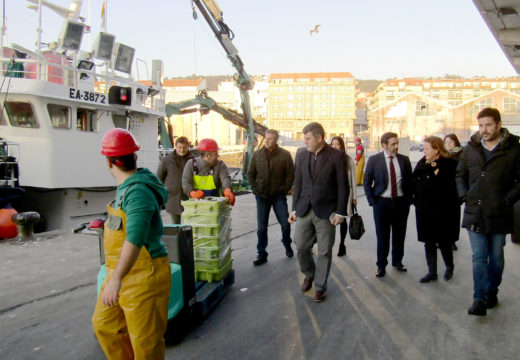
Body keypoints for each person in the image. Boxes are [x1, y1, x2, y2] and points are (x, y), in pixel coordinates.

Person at [92, 128, 170, 359]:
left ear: (108, 162)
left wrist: (116, 279)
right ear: (135, 157)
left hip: (143, 277)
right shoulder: (126, 189)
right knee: (105, 326)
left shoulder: (138, 193)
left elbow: (134, 239)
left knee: (145, 345)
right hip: (120, 272)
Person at [456, 107, 520, 316]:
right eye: (481, 125)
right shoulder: (471, 148)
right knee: (478, 257)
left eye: (489, 125)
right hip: (475, 211)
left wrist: (507, 200)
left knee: (497, 256)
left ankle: (492, 291)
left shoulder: (513, 148)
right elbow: (460, 175)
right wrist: (464, 196)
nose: (484, 130)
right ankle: (479, 299)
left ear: (499, 125)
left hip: (500, 212)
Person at [289, 122, 348, 302]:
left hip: (326, 212)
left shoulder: (336, 156)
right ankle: (309, 274)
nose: (304, 141)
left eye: (307, 138)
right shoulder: (301, 155)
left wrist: (340, 212)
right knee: (300, 246)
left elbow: (342, 186)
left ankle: (320, 286)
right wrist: (294, 209)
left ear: (319, 138)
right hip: (304, 209)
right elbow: (298, 183)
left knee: (324, 251)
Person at [364, 132, 413, 278]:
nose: (396, 146)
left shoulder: (404, 160)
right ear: (384, 145)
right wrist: (372, 201)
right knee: (383, 237)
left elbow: (409, 182)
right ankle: (381, 265)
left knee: (399, 235)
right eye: (393, 144)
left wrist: (408, 201)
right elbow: (367, 183)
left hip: (400, 204)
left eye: (397, 143)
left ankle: (397, 261)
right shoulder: (374, 160)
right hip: (382, 204)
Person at [412, 136, 459, 283]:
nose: (423, 151)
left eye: (426, 149)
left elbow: (452, 189)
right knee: (429, 242)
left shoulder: (449, 164)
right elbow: (415, 182)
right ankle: (432, 272)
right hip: (425, 211)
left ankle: (449, 267)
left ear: (436, 149)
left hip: (443, 211)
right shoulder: (422, 163)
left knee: (444, 241)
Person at [248, 129, 295, 266]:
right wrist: (255, 190)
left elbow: (290, 174)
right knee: (262, 227)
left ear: (276, 140)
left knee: (285, 224)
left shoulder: (285, 155)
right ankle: (262, 253)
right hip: (262, 196)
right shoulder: (257, 155)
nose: (267, 141)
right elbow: (250, 174)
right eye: (266, 138)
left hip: (278, 196)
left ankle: (287, 243)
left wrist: (284, 189)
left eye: (270, 139)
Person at [182, 138, 235, 206]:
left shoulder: (220, 165)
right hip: (196, 207)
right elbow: (185, 182)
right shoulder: (191, 164)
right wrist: (192, 192)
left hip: (216, 207)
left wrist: (227, 190)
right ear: (207, 156)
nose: (218, 156)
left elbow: (225, 178)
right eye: (215, 154)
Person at [330, 136, 357, 257]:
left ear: (341, 146)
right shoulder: (327, 159)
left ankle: (342, 244)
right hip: (331, 194)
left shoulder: (348, 160)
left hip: (345, 194)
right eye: (332, 144)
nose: (334, 146)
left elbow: (353, 179)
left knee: (343, 219)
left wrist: (354, 197)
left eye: (337, 144)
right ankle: (328, 244)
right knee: (329, 220)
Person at [157, 136, 194, 224]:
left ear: (188, 147)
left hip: (189, 198)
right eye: (179, 147)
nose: (182, 150)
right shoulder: (167, 160)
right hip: (172, 199)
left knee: (190, 226)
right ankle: (178, 238)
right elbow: (159, 177)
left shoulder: (193, 161)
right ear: (175, 147)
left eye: (184, 147)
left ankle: (187, 238)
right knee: (175, 226)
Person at [444, 133, 464, 251]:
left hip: (456, 190)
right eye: (446, 142)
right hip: (444, 191)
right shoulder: (443, 155)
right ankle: (442, 239)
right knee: (443, 217)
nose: (449, 145)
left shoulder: (461, 154)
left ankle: (452, 241)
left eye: (451, 142)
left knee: (454, 217)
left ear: (456, 142)